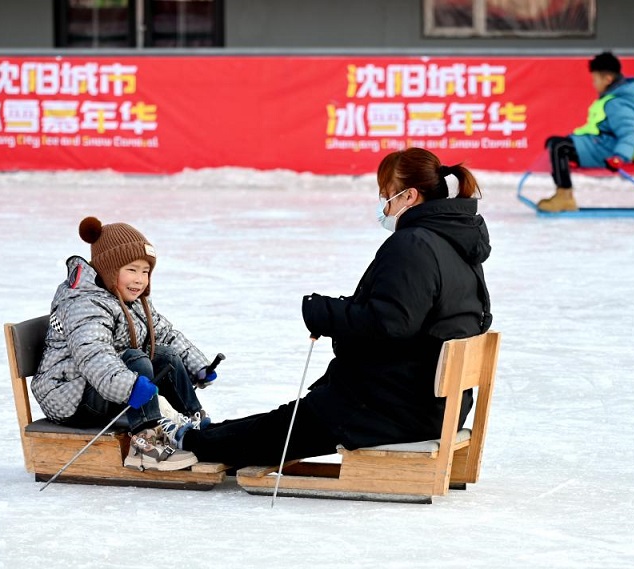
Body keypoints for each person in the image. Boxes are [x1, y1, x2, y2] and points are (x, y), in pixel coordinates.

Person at [178, 148, 492, 468]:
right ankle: (207, 434)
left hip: (389, 408)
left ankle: (189, 442)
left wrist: (324, 314)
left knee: (283, 429)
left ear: (409, 196)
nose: (384, 206)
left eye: (387, 196)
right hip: (430, 404)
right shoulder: (456, 245)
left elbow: (390, 323)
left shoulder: (413, 244)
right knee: (288, 419)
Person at [31, 217, 218, 472]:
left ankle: (196, 426)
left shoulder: (131, 300)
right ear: (109, 269)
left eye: (145, 271)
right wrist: (128, 386)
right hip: (69, 396)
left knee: (166, 355)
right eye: (132, 269)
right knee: (135, 359)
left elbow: (165, 334)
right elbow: (93, 354)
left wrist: (199, 366)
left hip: (104, 384)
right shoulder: (84, 303)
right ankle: (146, 444)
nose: (140, 279)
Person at [537, 51, 634, 213]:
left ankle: (564, 197)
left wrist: (620, 157)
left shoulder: (618, 103)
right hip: (600, 145)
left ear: (607, 79)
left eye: (595, 79)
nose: (593, 84)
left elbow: (629, 132)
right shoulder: (614, 98)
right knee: (555, 143)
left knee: (559, 147)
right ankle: (563, 194)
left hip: (608, 153)